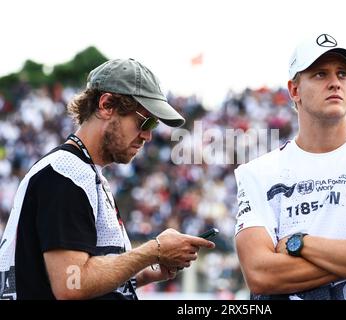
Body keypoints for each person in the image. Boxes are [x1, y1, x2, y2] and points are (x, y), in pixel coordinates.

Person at [0, 58, 215, 300]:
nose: (148, 135)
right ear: (106, 104)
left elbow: (79, 275)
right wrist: (153, 251)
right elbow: (71, 283)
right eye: (145, 121)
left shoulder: (82, 171)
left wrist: (144, 272)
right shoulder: (66, 173)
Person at [234, 33, 346, 300]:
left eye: (343, 74)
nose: (335, 83)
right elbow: (261, 275)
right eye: (320, 74)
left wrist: (300, 244)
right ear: (294, 90)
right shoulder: (257, 174)